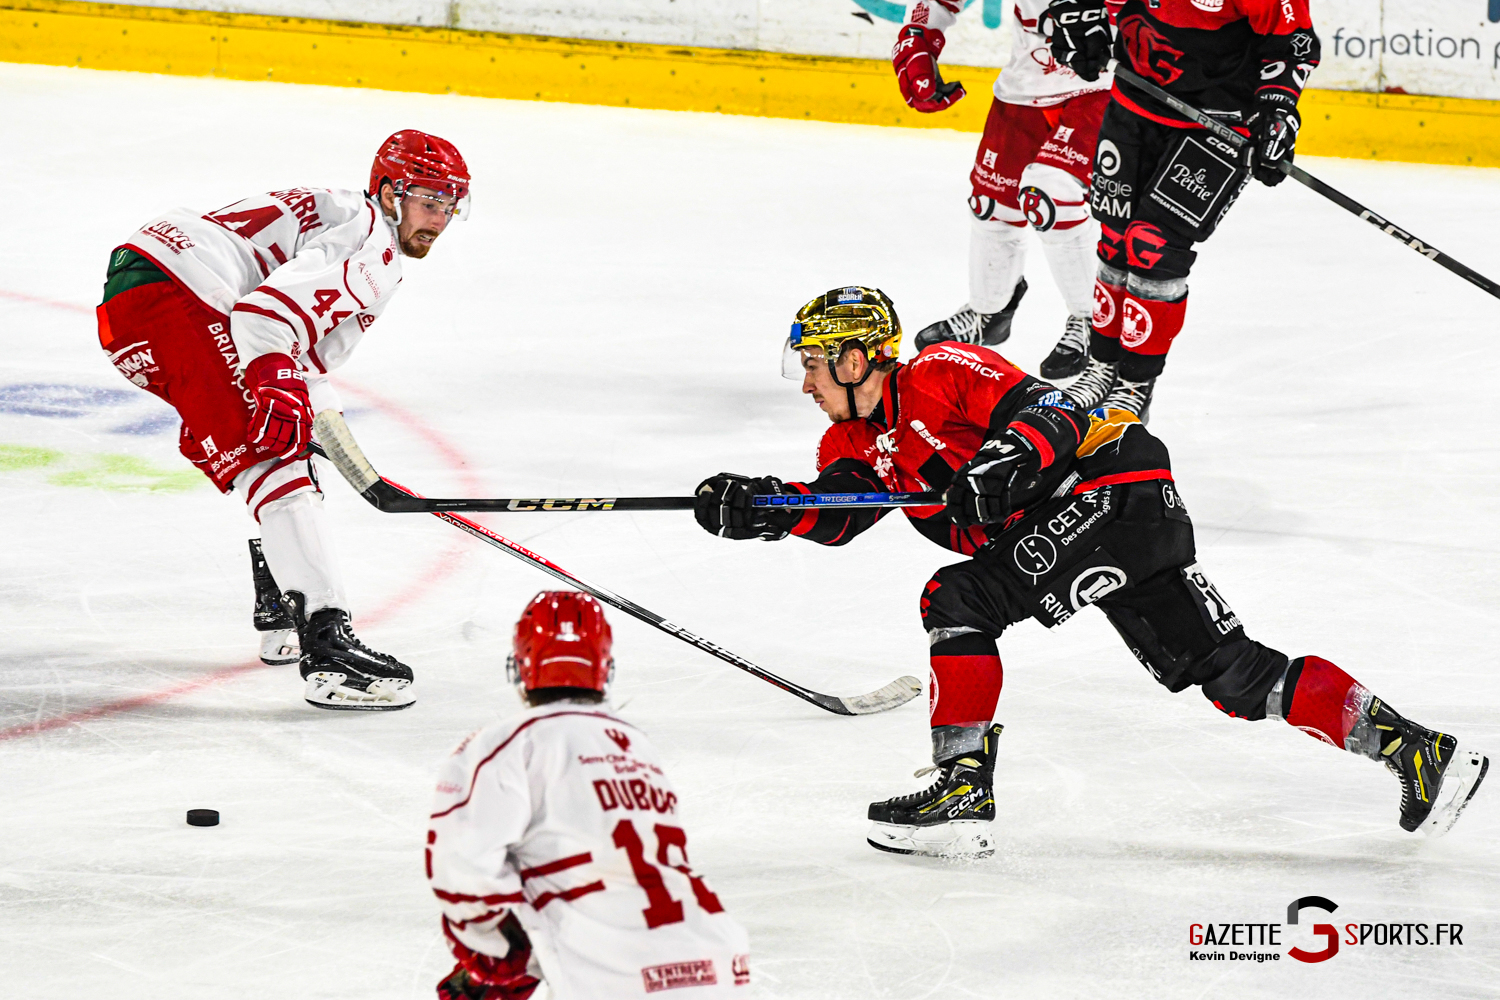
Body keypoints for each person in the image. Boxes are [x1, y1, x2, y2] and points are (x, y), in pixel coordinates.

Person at [692, 286, 1487, 857]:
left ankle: (962, 785)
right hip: (1111, 521)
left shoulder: (938, 371)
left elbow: (1058, 410)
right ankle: (1416, 751)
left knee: (959, 595)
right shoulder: (850, 446)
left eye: (815, 363)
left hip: (1107, 483)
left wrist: (1002, 463)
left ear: (859, 356)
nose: (805, 381)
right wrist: (759, 507)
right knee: (1229, 673)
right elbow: (837, 514)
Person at [96, 130, 471, 710]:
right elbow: (263, 319)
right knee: (276, 458)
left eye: (451, 204)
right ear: (392, 193)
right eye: (430, 200)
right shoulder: (374, 243)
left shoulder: (352, 220)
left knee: (279, 442)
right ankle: (328, 647)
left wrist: (353, 464)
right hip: (179, 292)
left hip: (146, 290)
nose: (439, 219)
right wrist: (273, 383)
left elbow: (302, 364)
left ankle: (283, 609)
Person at [428, 591, 750, 1000]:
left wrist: (497, 959)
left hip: (615, 975)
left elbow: (463, 872)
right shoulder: (634, 745)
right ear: (605, 668)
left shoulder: (502, 746)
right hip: (718, 959)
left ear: (521, 667)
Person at [1038, 0, 1321, 417]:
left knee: (1153, 248)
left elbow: (1292, 43)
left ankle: (1134, 386)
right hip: (1133, 104)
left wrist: (1277, 111)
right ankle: (1101, 367)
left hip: (1217, 121)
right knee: (1115, 240)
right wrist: (1077, 18)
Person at [893, 0, 1110, 378]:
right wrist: (918, 36)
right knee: (991, 203)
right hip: (1025, 83)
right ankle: (990, 310)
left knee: (1052, 195)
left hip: (1103, 82)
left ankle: (1094, 320)